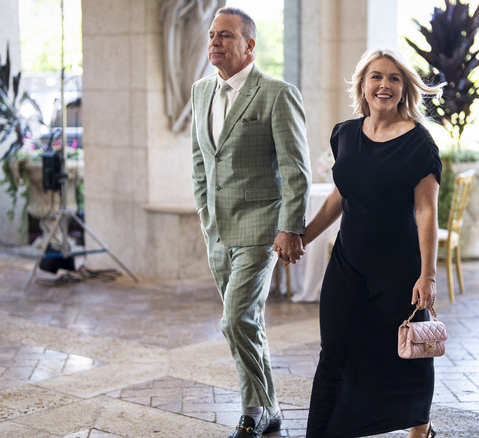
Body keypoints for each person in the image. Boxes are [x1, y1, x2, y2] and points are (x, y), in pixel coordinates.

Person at [302, 47, 443, 438]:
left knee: (407, 353)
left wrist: (427, 275)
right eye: (376, 77)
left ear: (405, 89)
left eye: (394, 78)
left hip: (399, 270)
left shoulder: (420, 143)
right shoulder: (344, 134)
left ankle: (420, 431)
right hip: (348, 265)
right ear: (363, 84)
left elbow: (426, 212)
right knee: (335, 351)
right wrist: (304, 237)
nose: (384, 85)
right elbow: (340, 196)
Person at [190, 6, 311, 438]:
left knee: (234, 319)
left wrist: (290, 227)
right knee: (249, 322)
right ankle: (262, 410)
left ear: (249, 44)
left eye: (224, 35)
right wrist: (206, 215)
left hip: (261, 229)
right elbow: (200, 163)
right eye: (211, 35)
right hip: (217, 231)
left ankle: (258, 406)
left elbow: (297, 169)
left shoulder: (277, 93)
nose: (214, 42)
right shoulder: (200, 91)